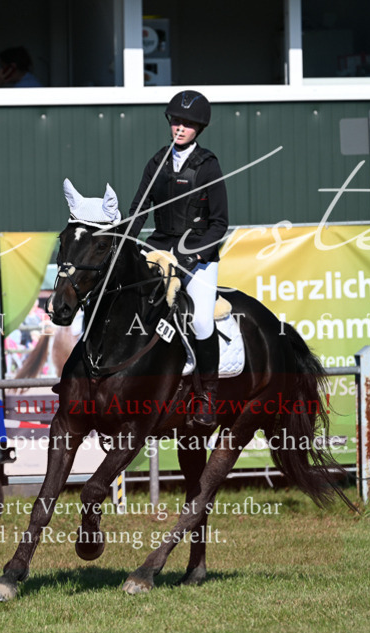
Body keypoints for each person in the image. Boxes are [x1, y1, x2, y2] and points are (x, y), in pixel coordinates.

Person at [127, 90, 228, 426]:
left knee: (200, 320)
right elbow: (139, 209)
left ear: (198, 128)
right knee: (134, 305)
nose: (180, 128)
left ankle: (208, 396)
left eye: (187, 124)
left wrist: (196, 252)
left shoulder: (208, 165)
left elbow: (220, 223)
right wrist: (124, 240)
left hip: (199, 256)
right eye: (176, 121)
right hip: (160, 249)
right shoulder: (157, 162)